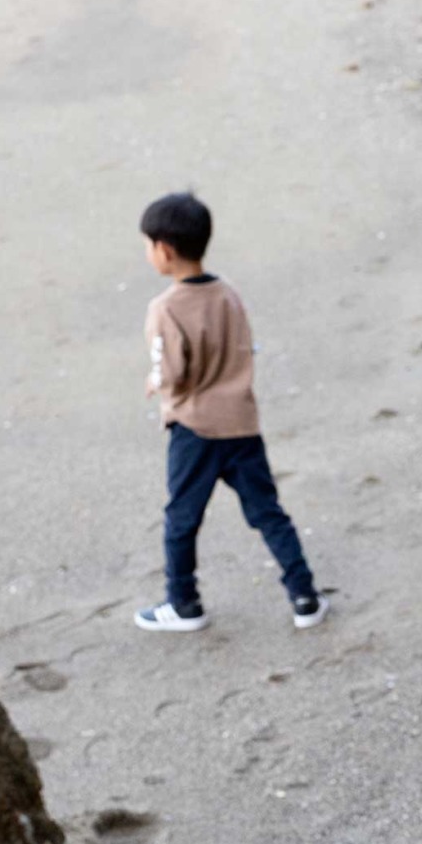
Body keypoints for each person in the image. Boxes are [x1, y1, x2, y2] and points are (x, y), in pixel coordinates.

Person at [131, 192, 327, 633]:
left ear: (164, 249)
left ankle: (183, 603)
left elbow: (173, 371)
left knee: (181, 520)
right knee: (268, 513)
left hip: (195, 430)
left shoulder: (164, 309)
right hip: (240, 423)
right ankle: (304, 595)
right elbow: (240, 347)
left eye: (147, 245)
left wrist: (154, 381)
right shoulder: (228, 295)